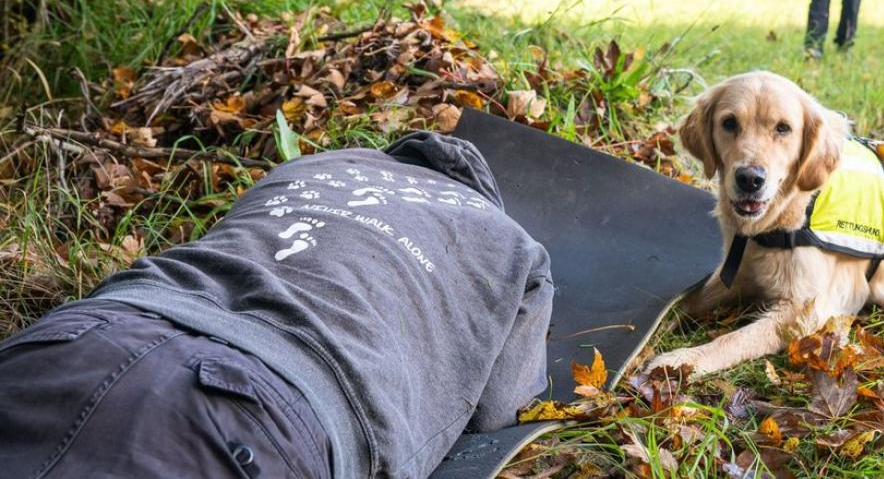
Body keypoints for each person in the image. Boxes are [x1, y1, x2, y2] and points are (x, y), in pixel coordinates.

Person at [0, 131, 553, 479]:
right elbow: (500, 410)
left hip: (86, 331)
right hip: (264, 403)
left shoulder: (310, 167)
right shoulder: (508, 240)